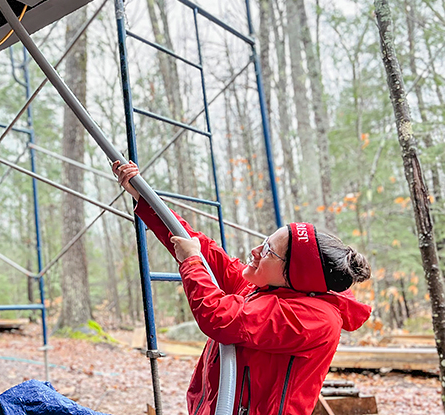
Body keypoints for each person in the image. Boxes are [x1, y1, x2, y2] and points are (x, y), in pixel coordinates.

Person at [112, 160, 372, 415]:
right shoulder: (265, 287)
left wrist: (191, 262)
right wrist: (145, 199)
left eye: (268, 251)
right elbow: (204, 251)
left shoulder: (314, 319)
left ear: (292, 276)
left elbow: (219, 317)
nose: (255, 251)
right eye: (264, 242)